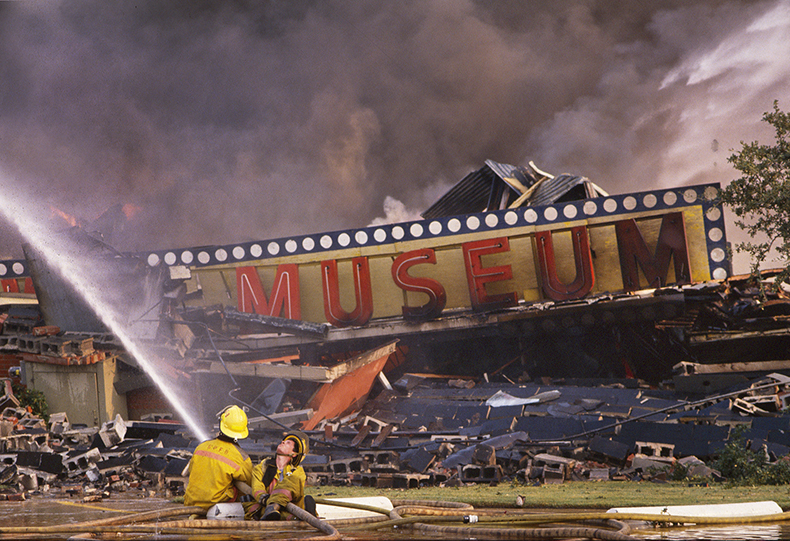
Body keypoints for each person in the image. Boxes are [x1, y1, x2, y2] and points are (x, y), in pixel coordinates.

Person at [183, 405, 253, 510]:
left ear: (221, 423)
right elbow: (248, 486)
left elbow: (192, 472)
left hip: (191, 503)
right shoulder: (242, 457)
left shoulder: (201, 447)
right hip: (216, 507)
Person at [247, 430, 314, 520]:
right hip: (266, 509)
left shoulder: (298, 472)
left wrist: (274, 501)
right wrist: (264, 499)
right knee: (278, 515)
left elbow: (295, 491)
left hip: (290, 507)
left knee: (293, 480)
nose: (283, 442)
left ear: (294, 454)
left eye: (288, 443)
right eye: (283, 441)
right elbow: (257, 489)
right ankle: (303, 516)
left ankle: (274, 507)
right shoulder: (261, 468)